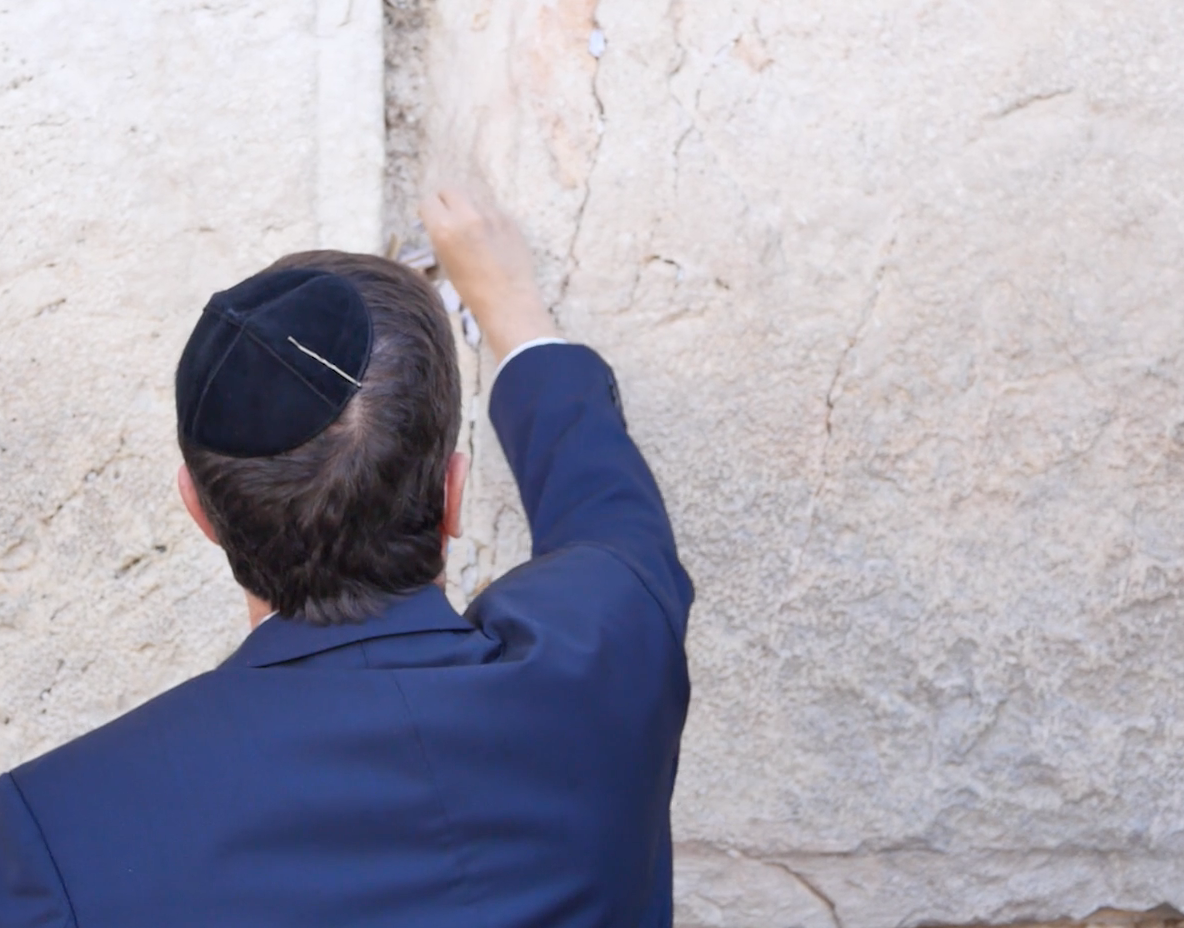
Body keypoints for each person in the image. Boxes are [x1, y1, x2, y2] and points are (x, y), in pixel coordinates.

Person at [0, 188, 694, 926]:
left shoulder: (49, 835)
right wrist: (514, 313)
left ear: (199, 512)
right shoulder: (609, 648)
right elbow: (610, 518)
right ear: (453, 495)